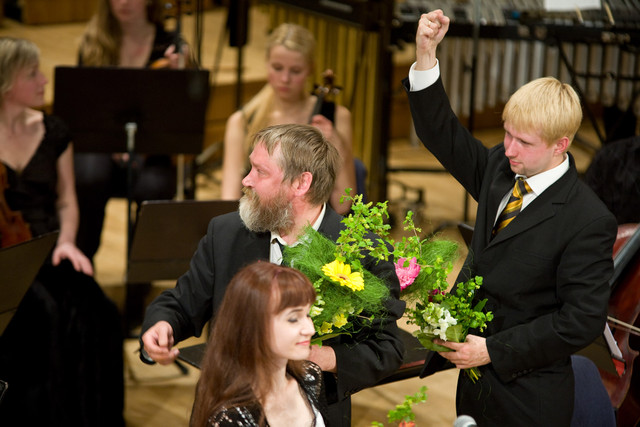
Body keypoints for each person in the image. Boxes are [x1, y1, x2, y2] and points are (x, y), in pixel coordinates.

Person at [404, 10, 618, 426]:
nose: (508, 148)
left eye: (523, 141)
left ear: (561, 145)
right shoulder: (501, 169)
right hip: (473, 384)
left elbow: (580, 321)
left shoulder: (588, 220)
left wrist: (492, 350)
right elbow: (441, 134)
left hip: (529, 396)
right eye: (506, 132)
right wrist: (425, 54)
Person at [141, 123, 405, 426]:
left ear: (301, 183)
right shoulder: (225, 234)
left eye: (260, 172)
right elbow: (181, 303)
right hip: (226, 405)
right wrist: (162, 325)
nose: (246, 180)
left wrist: (319, 357)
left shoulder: (362, 252)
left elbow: (386, 348)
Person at [0, 37, 124, 426]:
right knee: (43, 315)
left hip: (47, 247)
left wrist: (67, 242)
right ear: (6, 82)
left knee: (100, 312)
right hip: (6, 259)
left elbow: (67, 201)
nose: (44, 80)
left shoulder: (54, 131)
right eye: (32, 74)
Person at [75, 0, 191, 262]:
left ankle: (141, 269)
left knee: (155, 186)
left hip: (152, 149)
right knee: (89, 176)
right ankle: (82, 263)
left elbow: (182, 115)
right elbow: (84, 109)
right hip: (101, 145)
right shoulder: (93, 43)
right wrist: (112, 143)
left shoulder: (170, 46)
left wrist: (180, 79)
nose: (124, 2)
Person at [220, 23, 356, 215]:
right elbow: (229, 200)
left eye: (295, 71)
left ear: (310, 69)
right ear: (266, 63)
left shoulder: (336, 117)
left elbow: (344, 204)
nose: (285, 78)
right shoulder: (242, 121)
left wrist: (337, 144)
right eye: (277, 68)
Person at [190, 261, 326, 426]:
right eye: (293, 319)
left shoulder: (310, 376)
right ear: (253, 325)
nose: (310, 329)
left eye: (307, 315)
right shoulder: (229, 417)